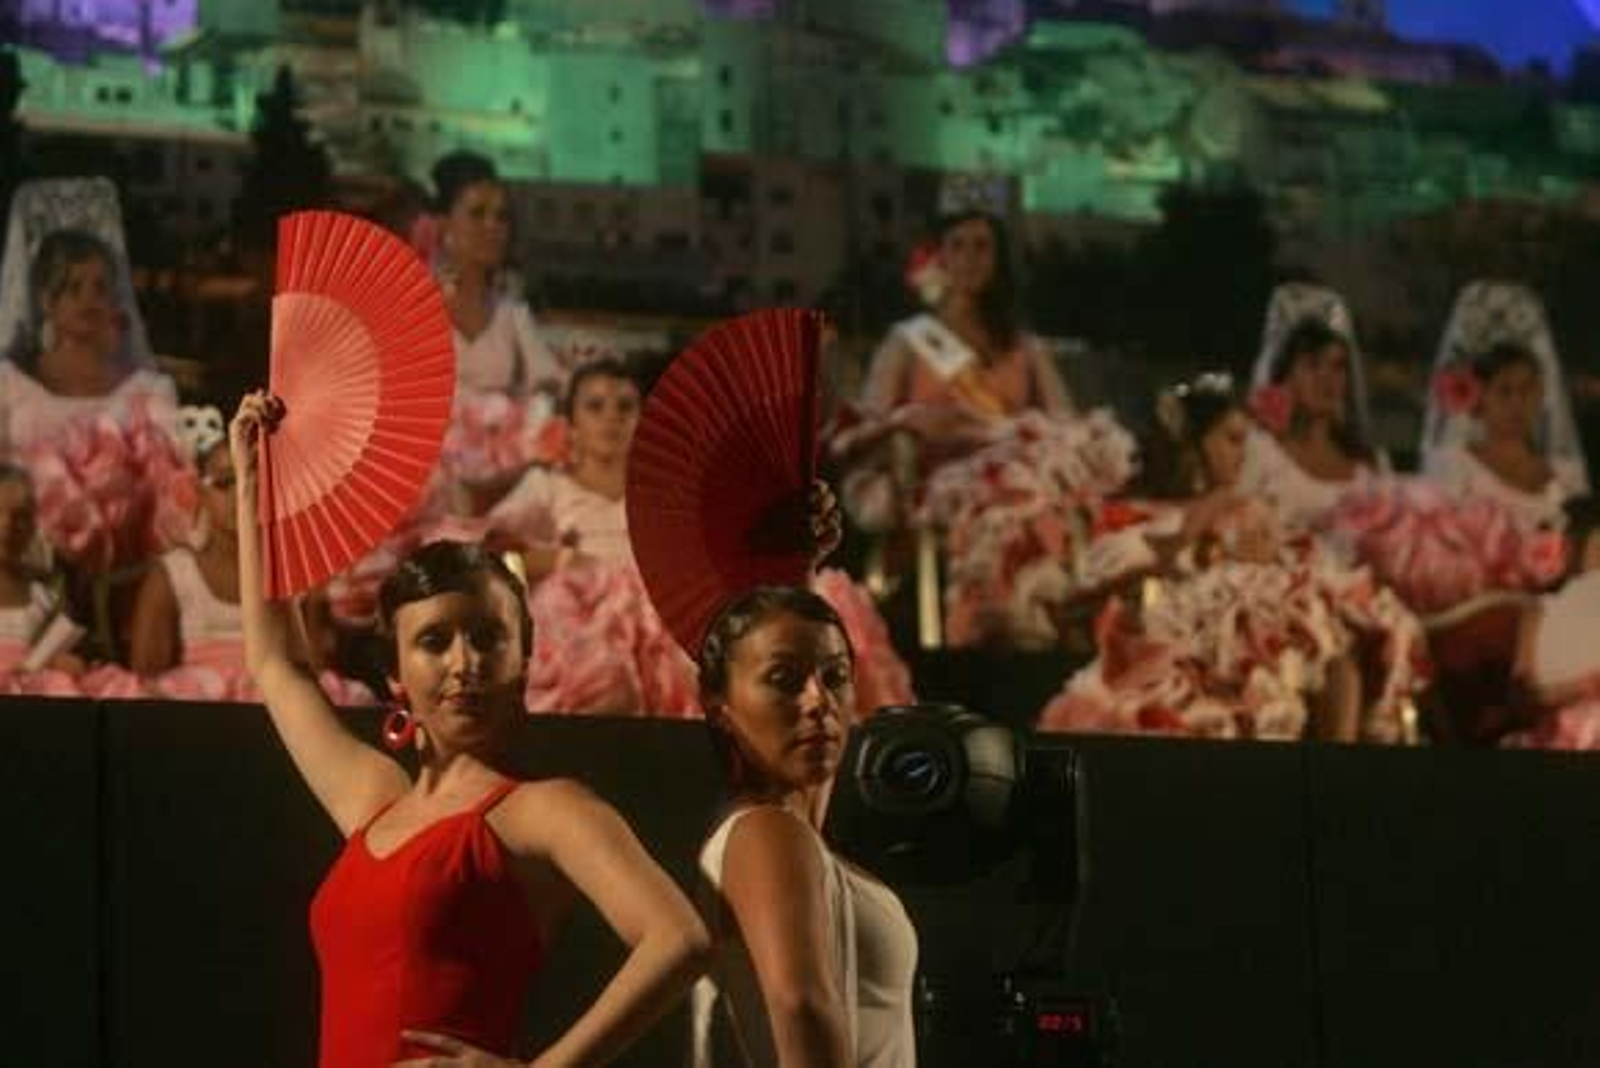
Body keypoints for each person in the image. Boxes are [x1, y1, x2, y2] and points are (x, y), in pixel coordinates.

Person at [230, 391, 711, 1067]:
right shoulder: (373, 798)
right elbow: (276, 662)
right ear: (395, 671)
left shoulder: (545, 811)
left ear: (523, 659)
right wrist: (256, 487)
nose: (464, 664)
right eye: (434, 641)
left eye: (488, 638)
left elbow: (681, 939)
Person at [689, 586, 918, 1068]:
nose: (819, 700)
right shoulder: (768, 831)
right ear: (719, 708)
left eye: (835, 676)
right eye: (784, 679)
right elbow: (801, 1007)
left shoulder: (796, 840)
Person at [0, 178, 177, 457]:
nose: (89, 300)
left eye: (100, 287)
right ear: (47, 300)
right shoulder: (10, 386)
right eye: (73, 287)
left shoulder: (147, 392)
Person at [1421, 283, 1590, 533]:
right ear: (1480, 396)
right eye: (1504, 391)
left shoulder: (1565, 475)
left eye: (1527, 389)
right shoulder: (1454, 467)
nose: (1517, 403)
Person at [1238, 284, 1377, 536]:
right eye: (1312, 365)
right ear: (1284, 376)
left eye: (1337, 366)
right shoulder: (1262, 453)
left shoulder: (1366, 462)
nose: (1328, 379)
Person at [429, 151, 559, 400]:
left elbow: (548, 381)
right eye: (477, 214)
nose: (493, 227)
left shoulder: (511, 314)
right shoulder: (412, 306)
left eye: (502, 217)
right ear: (444, 223)